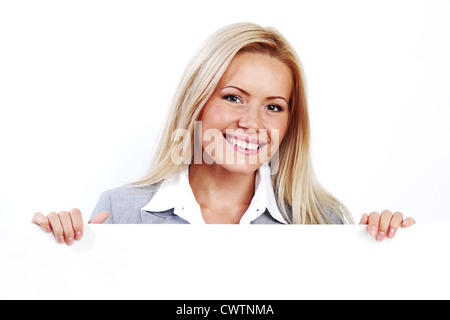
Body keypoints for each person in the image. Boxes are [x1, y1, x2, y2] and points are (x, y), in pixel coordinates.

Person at [31, 22, 415, 245]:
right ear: (197, 101)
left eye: (274, 106)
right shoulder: (121, 211)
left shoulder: (322, 221)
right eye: (233, 98)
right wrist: (51, 257)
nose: (252, 122)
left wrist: (397, 257)